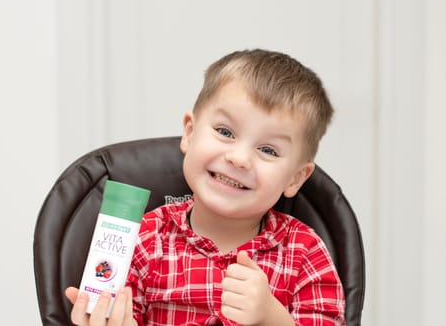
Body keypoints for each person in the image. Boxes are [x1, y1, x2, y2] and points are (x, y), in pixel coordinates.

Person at [65, 49, 346, 325]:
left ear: (295, 178)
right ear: (189, 132)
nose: (239, 159)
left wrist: (272, 319)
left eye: (268, 150)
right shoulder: (143, 242)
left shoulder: (304, 252)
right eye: (225, 132)